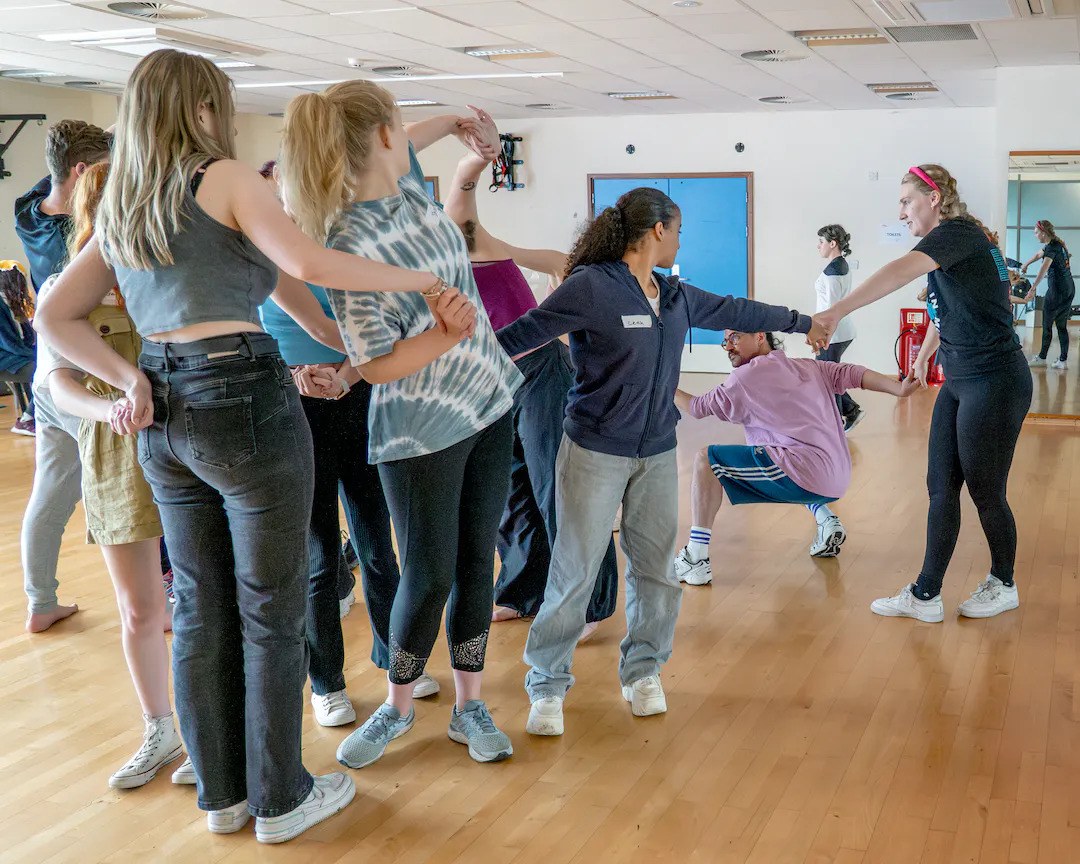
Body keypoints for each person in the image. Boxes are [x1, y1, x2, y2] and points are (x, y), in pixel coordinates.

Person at [35, 50, 463, 844]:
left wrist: (127, 379)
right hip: (244, 402)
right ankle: (282, 797)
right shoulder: (227, 176)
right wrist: (416, 283)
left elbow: (53, 319)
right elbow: (303, 257)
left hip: (166, 413)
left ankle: (225, 798)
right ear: (203, 107)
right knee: (272, 608)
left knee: (198, 609)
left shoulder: (129, 202)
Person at [495, 186, 824, 737]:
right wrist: (442, 363)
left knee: (656, 571)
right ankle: (547, 685)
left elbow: (736, 309)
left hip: (655, 452)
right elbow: (520, 336)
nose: (679, 241)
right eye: (678, 231)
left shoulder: (673, 297)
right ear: (657, 232)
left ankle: (643, 672)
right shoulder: (591, 287)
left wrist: (799, 320)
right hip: (595, 450)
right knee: (573, 573)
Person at [278, 83, 521, 770]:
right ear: (382, 135)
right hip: (420, 427)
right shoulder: (349, 235)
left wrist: (467, 121)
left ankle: (471, 705)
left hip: (489, 399)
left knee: (479, 562)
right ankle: (398, 705)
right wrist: (446, 337)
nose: (407, 137)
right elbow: (378, 364)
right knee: (429, 573)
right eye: (398, 127)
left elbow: (413, 138)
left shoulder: (408, 186)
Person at [814, 164, 1031, 623]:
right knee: (940, 485)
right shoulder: (954, 247)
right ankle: (925, 594)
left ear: (933, 199)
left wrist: (836, 311)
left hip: (996, 380)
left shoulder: (956, 235)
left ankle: (1004, 582)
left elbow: (895, 272)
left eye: (906, 201)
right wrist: (923, 356)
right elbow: (943, 310)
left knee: (987, 490)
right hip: (960, 379)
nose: (901, 211)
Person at [36, 161, 186, 789]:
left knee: (204, 600)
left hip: (187, 447)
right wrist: (113, 408)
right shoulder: (62, 296)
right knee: (139, 607)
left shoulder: (168, 280)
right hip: (117, 452)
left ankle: (213, 727)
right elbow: (57, 384)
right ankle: (161, 727)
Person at [443, 121, 618, 638]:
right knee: (507, 491)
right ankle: (522, 589)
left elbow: (464, 183)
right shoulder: (404, 262)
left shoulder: (464, 233)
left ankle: (586, 603)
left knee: (559, 487)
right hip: (483, 378)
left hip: (540, 371)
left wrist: (482, 155)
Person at [672, 330, 919, 586]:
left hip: (805, 474)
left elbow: (697, 408)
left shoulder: (745, 378)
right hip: (838, 477)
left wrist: (663, 385)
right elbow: (852, 373)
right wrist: (899, 388)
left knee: (706, 461)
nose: (728, 347)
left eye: (734, 338)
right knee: (778, 451)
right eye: (725, 341)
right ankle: (825, 518)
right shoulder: (808, 366)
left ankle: (695, 559)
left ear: (759, 336)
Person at [16, 120, 112, 632]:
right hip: (82, 371)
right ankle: (157, 594)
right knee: (124, 483)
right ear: (84, 172)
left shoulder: (28, 214)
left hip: (47, 375)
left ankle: (40, 601)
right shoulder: (81, 231)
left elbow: (52, 175)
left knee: (52, 490)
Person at [814, 224, 863, 432]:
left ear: (832, 243)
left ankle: (837, 422)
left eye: (821, 242)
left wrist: (822, 335)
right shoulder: (840, 265)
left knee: (824, 377)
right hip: (840, 332)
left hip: (834, 333)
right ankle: (850, 411)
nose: (818, 246)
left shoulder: (833, 272)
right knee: (826, 375)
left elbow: (833, 309)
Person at [1022, 219, 1074, 370]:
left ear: (1043, 233)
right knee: (1062, 326)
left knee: (1047, 325)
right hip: (1069, 288)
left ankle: (1042, 358)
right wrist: (1026, 264)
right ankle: (1062, 361)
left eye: (1036, 233)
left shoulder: (1052, 248)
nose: (1035, 235)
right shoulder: (1057, 244)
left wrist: (1033, 288)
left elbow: (1043, 269)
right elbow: (1038, 255)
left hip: (1057, 291)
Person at [0, 262, 37, 434]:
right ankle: (27, 419)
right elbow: (8, 344)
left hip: (15, 357)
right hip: (5, 360)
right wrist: (35, 355)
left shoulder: (13, 304)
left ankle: (32, 416)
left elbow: (26, 338)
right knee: (45, 372)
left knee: (47, 367)